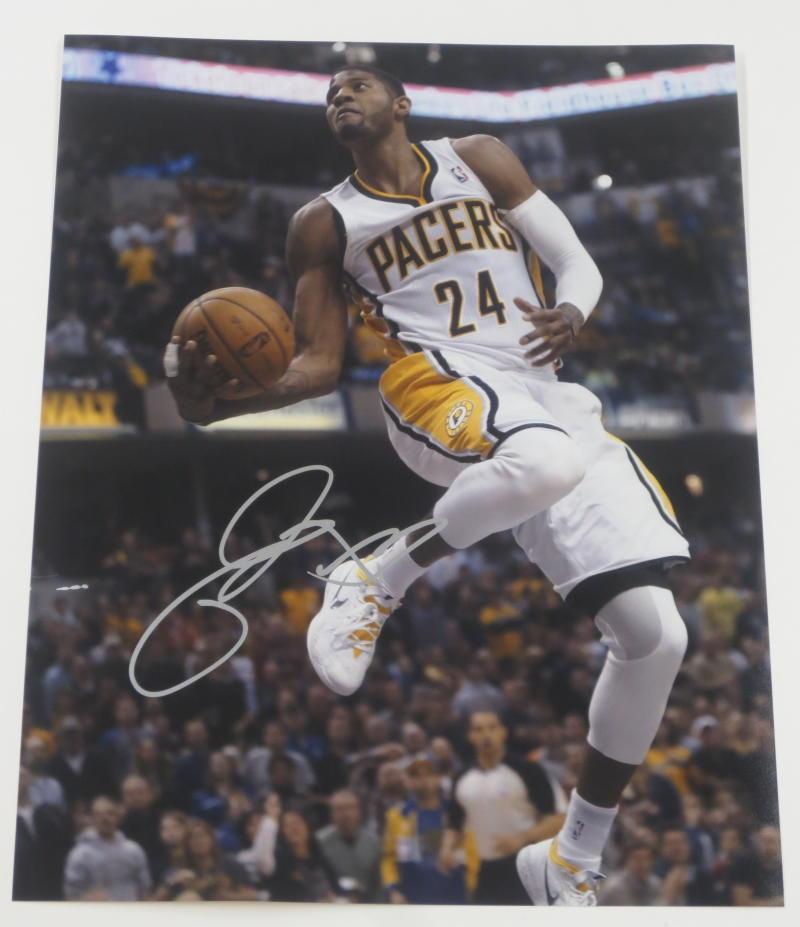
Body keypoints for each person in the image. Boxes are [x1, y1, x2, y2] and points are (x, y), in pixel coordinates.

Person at [165, 64, 691, 906]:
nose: (341, 95)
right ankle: (376, 573)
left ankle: (570, 858)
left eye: (359, 84)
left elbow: (575, 263)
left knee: (655, 636)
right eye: (331, 92)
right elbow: (316, 363)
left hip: (544, 394)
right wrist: (215, 408)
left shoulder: (477, 156)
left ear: (401, 103)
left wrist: (573, 313)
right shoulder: (324, 221)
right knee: (544, 463)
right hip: (433, 380)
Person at [444, 711, 562, 905]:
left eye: (492, 728)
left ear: (503, 732)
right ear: (470, 736)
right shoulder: (462, 777)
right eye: (478, 729)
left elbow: (558, 819)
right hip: (485, 869)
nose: (486, 735)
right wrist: (447, 848)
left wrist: (521, 838)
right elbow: (455, 823)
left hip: (528, 867)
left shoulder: (528, 769)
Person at [382, 756, 478, 904]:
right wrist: (393, 890)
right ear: (407, 781)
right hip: (412, 900)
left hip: (453, 898)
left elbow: (472, 854)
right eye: (415, 775)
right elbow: (389, 858)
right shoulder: (397, 817)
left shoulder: (456, 815)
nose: (423, 779)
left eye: (428, 773)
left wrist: (470, 886)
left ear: (438, 778)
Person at [63, 796, 151, 901]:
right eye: (98, 814)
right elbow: (71, 892)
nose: (105, 819)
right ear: (92, 818)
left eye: (110, 813)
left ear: (118, 816)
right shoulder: (80, 854)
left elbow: (144, 887)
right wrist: (87, 898)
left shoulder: (134, 850)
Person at [316, 789, 382, 901]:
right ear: (332, 814)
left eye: (350, 808)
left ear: (359, 811)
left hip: (369, 903)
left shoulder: (374, 843)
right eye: (339, 809)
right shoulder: (319, 842)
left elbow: (379, 883)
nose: (345, 814)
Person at [727, 824, 783, 907]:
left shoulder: (779, 865)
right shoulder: (744, 862)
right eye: (763, 840)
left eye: (771, 841)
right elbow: (742, 904)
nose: (766, 846)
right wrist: (779, 902)